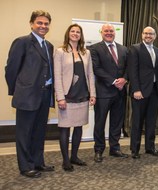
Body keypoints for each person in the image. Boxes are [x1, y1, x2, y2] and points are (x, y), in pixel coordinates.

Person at [5, 10, 55, 178]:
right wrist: (18, 90)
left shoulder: (49, 46)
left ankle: (38, 162)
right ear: (32, 23)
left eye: (46, 23)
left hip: (45, 94)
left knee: (40, 131)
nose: (43, 26)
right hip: (27, 95)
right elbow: (11, 69)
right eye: (39, 23)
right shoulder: (22, 42)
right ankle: (25, 166)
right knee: (24, 132)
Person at [53, 24, 96, 171]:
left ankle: (74, 156)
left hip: (82, 95)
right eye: (73, 31)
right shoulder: (60, 52)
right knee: (65, 129)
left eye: (78, 32)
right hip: (67, 96)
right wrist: (60, 97)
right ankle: (66, 160)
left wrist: (93, 94)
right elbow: (57, 76)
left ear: (81, 35)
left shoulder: (86, 52)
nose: (75, 34)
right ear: (68, 33)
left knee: (78, 127)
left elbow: (90, 75)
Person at [90, 23, 129, 162]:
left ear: (115, 32)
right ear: (101, 32)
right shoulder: (94, 48)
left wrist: (124, 79)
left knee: (116, 122)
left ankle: (115, 148)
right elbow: (96, 68)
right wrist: (114, 81)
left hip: (120, 93)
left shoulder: (123, 49)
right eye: (106, 31)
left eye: (111, 31)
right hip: (103, 92)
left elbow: (128, 67)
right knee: (100, 122)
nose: (109, 33)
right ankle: (99, 149)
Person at [127, 26, 158, 159]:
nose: (148, 36)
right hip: (140, 91)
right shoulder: (135, 48)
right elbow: (132, 70)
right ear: (142, 35)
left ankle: (150, 147)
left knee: (151, 121)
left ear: (155, 36)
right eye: (146, 33)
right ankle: (135, 149)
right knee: (137, 121)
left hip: (154, 91)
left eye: (151, 34)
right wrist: (136, 89)